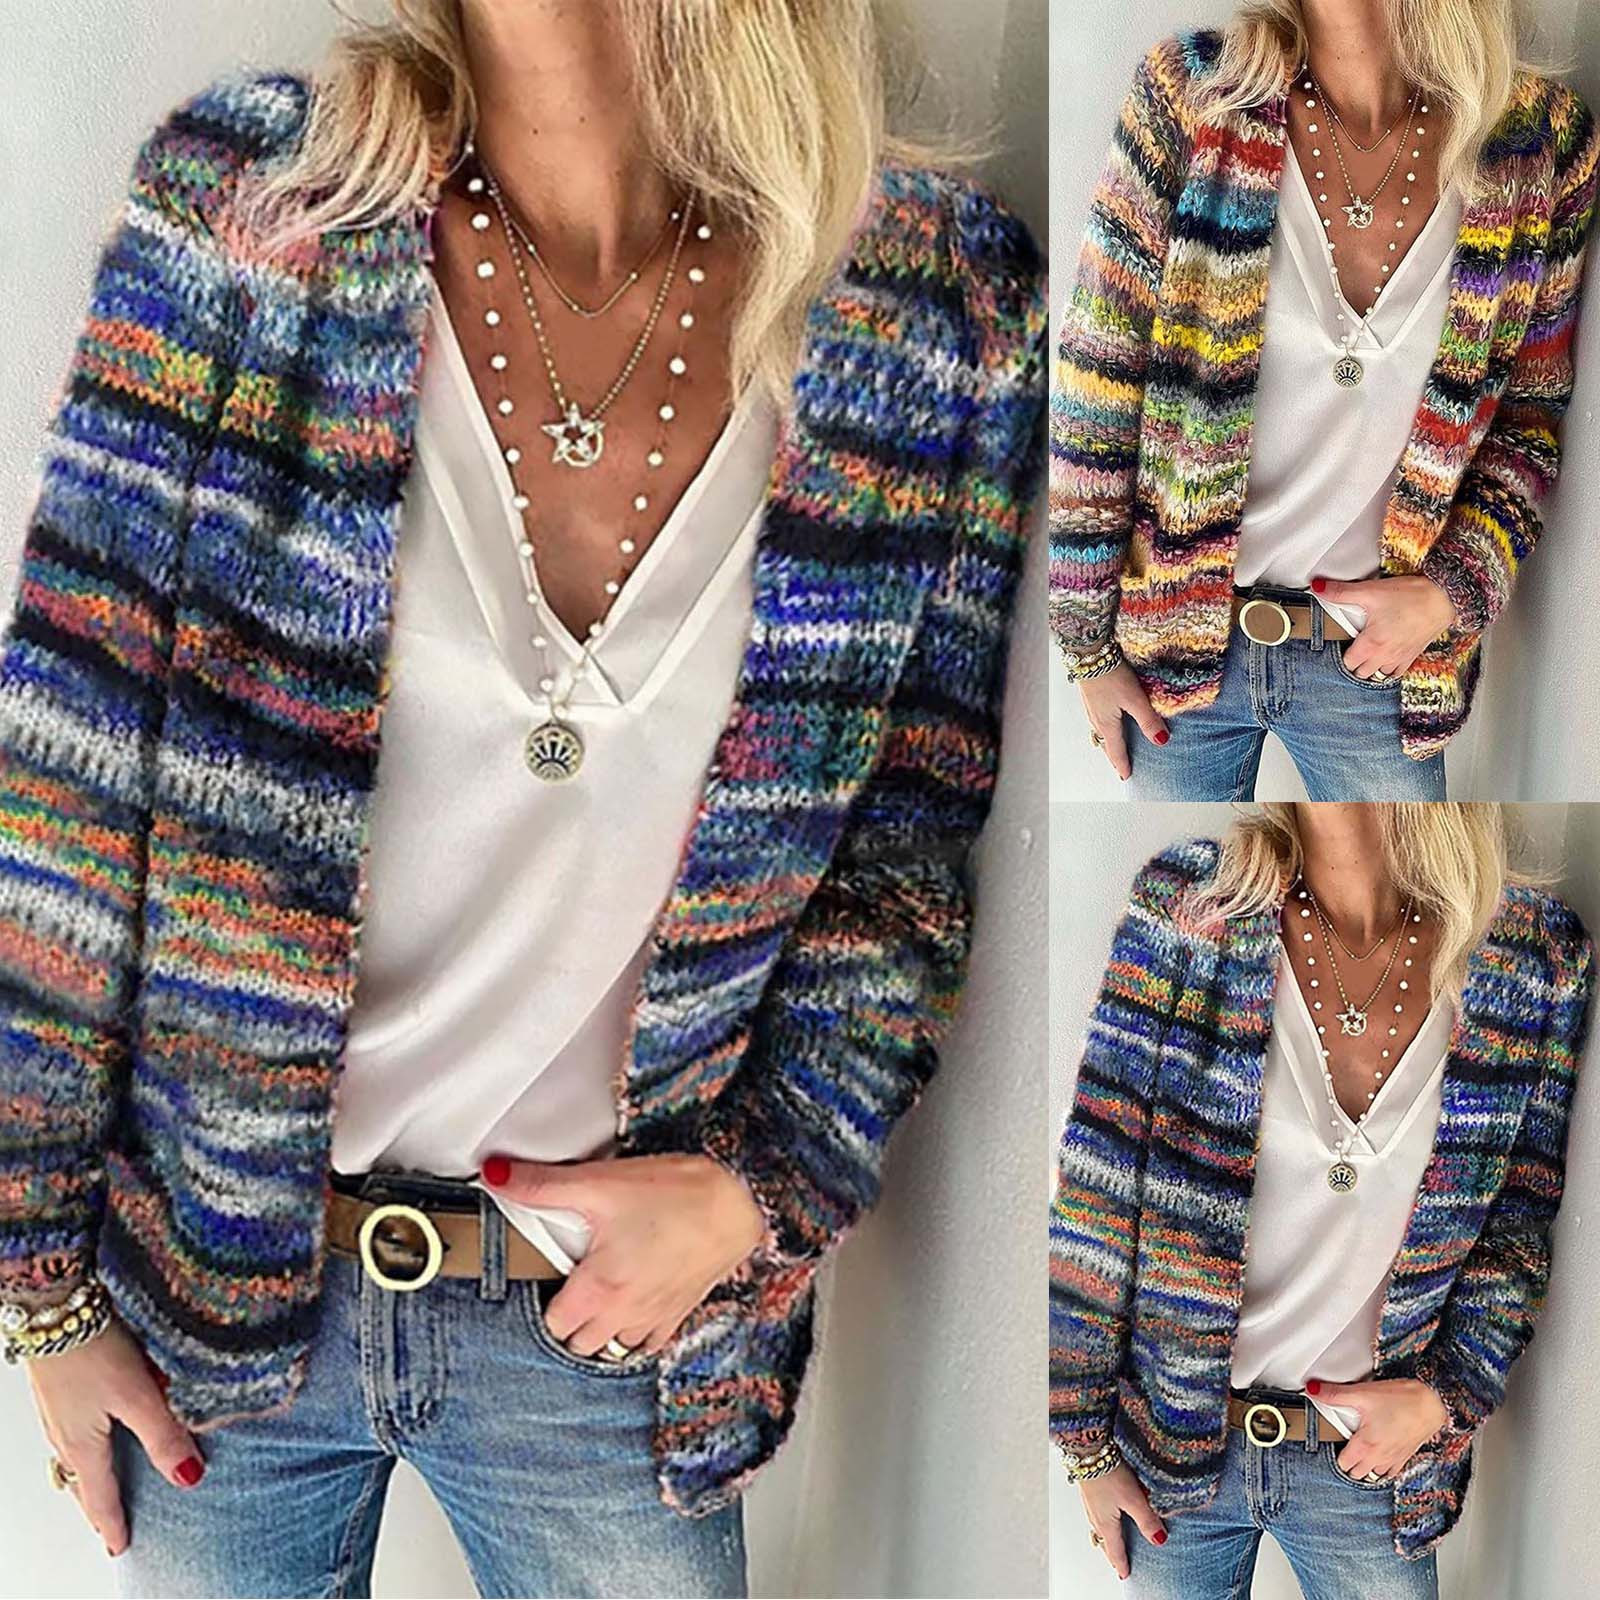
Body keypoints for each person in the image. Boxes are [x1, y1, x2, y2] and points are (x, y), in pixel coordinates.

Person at [0, 2, 1047, 1594]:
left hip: (608, 1335)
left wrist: (760, 1192)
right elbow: (65, 788)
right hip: (217, 1295)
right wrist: (43, 1291)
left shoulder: (933, 309)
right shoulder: (253, 211)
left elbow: (905, 849)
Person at [1049, 0, 1598, 798]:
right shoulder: (1193, 95)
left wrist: (1451, 593)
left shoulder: (1540, 145)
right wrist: (1088, 649)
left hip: (1377, 666)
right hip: (1177, 651)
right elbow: (1096, 384)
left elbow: (1529, 420)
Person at [1049, 803, 1594, 1596]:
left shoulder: (1531, 958)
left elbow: (1518, 1224)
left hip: (1370, 1468)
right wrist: (1085, 1447)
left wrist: (1445, 1398)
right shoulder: (1192, 908)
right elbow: (1097, 1193)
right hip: (1173, 1453)